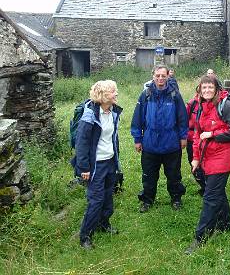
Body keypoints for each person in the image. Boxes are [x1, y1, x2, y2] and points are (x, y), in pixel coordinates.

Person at [185, 75, 230, 254]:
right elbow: (197, 134)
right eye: (204, 88)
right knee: (217, 191)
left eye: (210, 87)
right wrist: (195, 157)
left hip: (221, 157)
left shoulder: (226, 106)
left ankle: (200, 237)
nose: (207, 91)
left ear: (217, 89)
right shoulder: (201, 106)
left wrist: (213, 134)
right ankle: (226, 224)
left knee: (210, 197)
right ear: (200, 90)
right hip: (206, 157)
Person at [131, 65, 188, 212]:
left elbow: (182, 118)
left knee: (174, 175)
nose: (160, 78)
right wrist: (137, 139)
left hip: (171, 143)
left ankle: (176, 198)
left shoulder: (175, 94)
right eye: (158, 75)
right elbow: (137, 119)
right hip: (150, 143)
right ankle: (147, 200)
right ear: (153, 76)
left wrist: (183, 137)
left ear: (168, 76)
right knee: (149, 176)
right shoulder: (146, 94)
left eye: (163, 75)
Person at [72, 80, 122, 249]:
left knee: (108, 196)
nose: (116, 94)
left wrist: (116, 162)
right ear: (103, 95)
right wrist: (84, 168)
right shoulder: (90, 115)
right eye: (113, 91)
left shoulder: (113, 112)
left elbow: (113, 139)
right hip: (95, 166)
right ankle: (85, 236)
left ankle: (103, 224)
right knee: (96, 200)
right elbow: (82, 143)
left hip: (109, 162)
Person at [185, 85, 206, 195]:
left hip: (208, 139)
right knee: (193, 163)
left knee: (206, 163)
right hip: (191, 138)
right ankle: (203, 185)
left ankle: (208, 186)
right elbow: (184, 120)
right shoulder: (192, 104)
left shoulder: (213, 104)